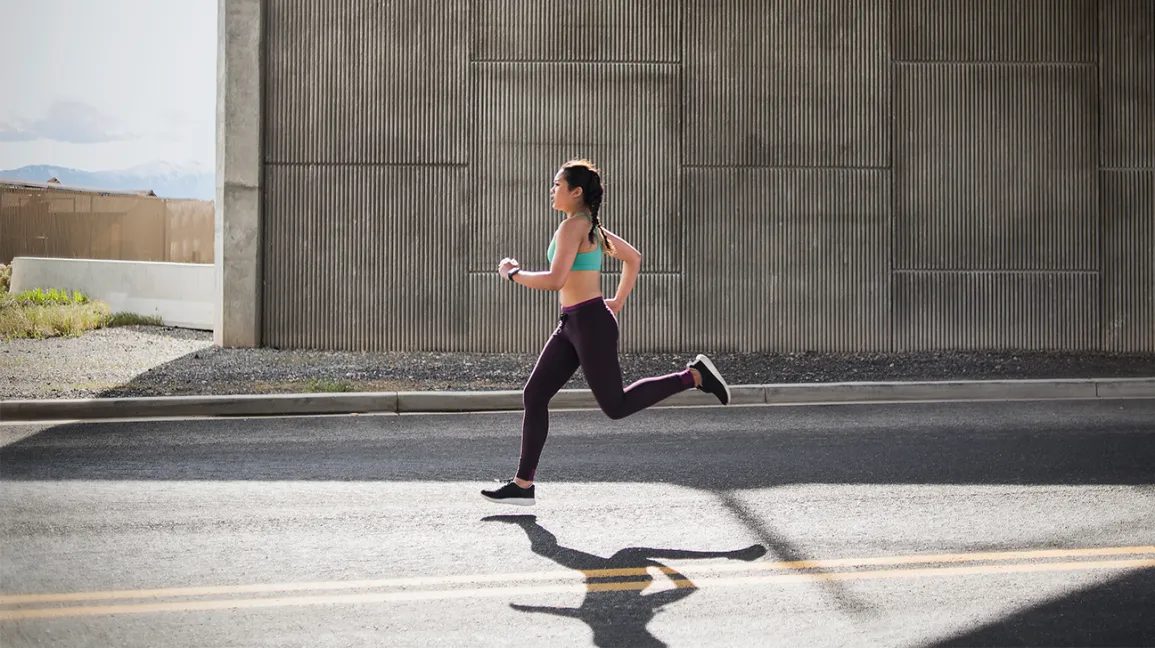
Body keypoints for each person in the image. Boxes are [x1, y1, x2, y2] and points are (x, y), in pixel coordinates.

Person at [482, 159, 730, 507]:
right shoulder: (590, 227)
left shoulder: (574, 228)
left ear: (576, 191)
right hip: (574, 323)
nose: (552, 190)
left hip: (589, 324)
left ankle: (694, 376)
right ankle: (523, 485)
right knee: (535, 394)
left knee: (616, 405)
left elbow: (555, 280)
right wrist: (617, 301)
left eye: (557, 185)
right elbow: (634, 258)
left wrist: (513, 274)